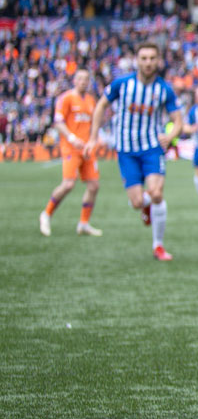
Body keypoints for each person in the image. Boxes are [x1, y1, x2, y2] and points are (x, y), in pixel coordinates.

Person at [85, 42, 183, 261]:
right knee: (137, 202)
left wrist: (170, 135)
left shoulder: (164, 89)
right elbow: (101, 106)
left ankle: (158, 246)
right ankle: (145, 208)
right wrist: (93, 137)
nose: (148, 62)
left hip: (152, 149)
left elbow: (178, 120)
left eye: (152, 58)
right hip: (127, 150)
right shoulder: (122, 84)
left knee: (157, 193)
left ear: (158, 61)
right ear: (137, 60)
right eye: (143, 58)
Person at [39, 68, 102, 237]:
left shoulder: (91, 100)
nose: (83, 82)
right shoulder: (65, 98)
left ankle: (83, 224)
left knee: (94, 186)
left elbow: (94, 123)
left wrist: (93, 139)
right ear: (74, 80)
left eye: (86, 79)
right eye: (80, 78)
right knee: (68, 184)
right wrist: (71, 137)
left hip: (87, 149)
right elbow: (58, 122)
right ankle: (46, 214)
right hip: (71, 147)